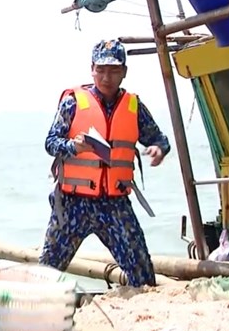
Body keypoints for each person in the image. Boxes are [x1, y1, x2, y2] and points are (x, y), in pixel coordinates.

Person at [39, 39, 171, 287]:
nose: (106, 77)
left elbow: (158, 139)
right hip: (72, 203)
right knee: (46, 270)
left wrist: (158, 149)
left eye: (113, 70)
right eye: (101, 69)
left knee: (142, 272)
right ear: (92, 69)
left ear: (124, 72)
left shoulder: (133, 105)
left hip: (114, 203)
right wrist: (72, 147)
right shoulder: (74, 102)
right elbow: (50, 142)